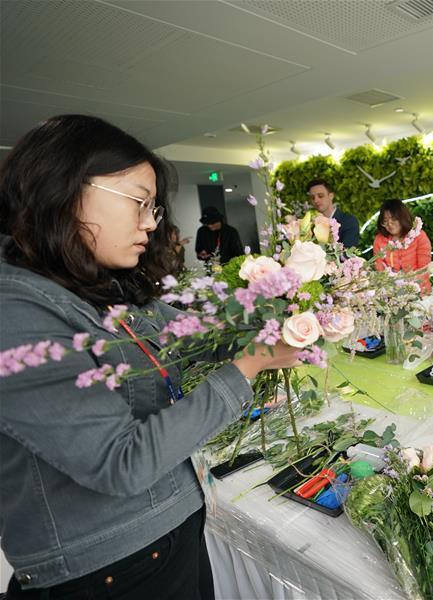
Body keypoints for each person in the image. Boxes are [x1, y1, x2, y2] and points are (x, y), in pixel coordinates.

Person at [0, 115, 302, 599]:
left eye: (153, 209)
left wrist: (283, 312)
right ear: (65, 188)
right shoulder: (17, 311)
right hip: (107, 574)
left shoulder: (99, 287)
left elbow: (195, 335)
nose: (149, 223)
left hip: (168, 537)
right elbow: (122, 462)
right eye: (139, 203)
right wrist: (251, 363)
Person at [373, 199, 433, 294]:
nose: (389, 224)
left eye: (393, 219)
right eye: (385, 221)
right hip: (390, 293)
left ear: (402, 217)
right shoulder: (379, 240)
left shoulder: (419, 236)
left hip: (419, 291)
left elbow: (424, 270)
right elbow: (379, 269)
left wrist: (408, 285)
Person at [307, 178, 360, 248]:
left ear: (331, 196)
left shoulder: (348, 221)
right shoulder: (311, 224)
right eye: (312, 197)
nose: (316, 200)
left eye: (320, 196)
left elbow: (348, 253)